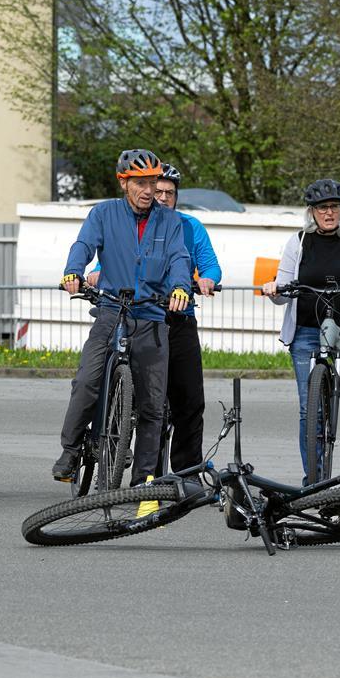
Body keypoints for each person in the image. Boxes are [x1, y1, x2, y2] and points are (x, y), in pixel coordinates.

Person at [53, 149, 191, 487]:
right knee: (87, 381)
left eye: (152, 183)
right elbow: (84, 245)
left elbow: (178, 258)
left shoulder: (171, 221)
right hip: (112, 312)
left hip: (151, 315)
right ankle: (71, 450)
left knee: (153, 404)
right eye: (140, 183)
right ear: (124, 183)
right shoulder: (103, 214)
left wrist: (179, 288)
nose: (148, 190)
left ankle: (142, 478)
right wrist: (74, 272)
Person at [89, 163, 221, 474]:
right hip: (137, 317)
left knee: (189, 400)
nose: (160, 197)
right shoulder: (128, 222)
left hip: (177, 317)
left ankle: (187, 472)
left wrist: (206, 280)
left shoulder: (189, 226)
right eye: (156, 191)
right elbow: (108, 259)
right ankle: (113, 442)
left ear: (177, 197)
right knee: (131, 393)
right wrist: (96, 273)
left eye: (168, 193)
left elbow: (211, 266)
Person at [262, 179, 340, 484]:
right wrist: (274, 288)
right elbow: (284, 291)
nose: (329, 213)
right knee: (310, 410)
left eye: (334, 207)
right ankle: (314, 480)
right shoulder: (298, 242)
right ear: (311, 212)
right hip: (305, 333)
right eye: (322, 208)